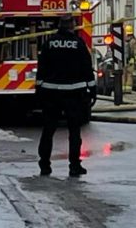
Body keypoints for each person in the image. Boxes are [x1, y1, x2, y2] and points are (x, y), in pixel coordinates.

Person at [36, 14, 96, 179]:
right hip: (74, 93)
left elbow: (41, 68)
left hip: (51, 93)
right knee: (74, 132)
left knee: (48, 130)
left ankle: (45, 166)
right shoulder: (78, 44)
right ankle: (74, 166)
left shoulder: (49, 43)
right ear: (72, 26)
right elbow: (87, 68)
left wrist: (39, 88)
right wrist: (92, 90)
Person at [123, 24, 136, 92]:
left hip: (123, 60)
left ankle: (122, 88)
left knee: (123, 75)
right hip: (131, 61)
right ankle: (128, 89)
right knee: (129, 75)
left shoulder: (122, 40)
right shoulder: (133, 41)